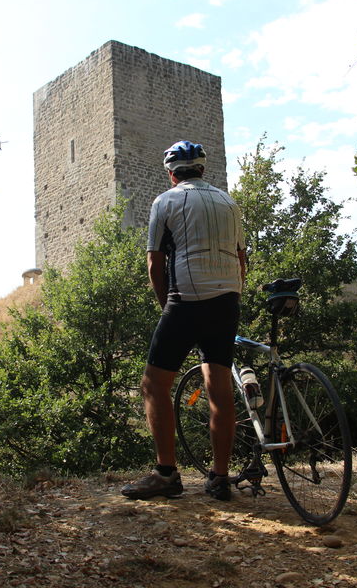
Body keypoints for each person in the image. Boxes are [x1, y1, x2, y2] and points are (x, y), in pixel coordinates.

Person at [121, 140, 246, 501]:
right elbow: (241, 258)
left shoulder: (165, 201)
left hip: (186, 300)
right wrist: (232, 294)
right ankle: (219, 477)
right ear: (203, 170)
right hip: (227, 300)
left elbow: (154, 263)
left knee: (154, 385)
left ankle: (166, 474)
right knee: (219, 390)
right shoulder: (229, 203)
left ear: (171, 173)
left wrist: (167, 306)